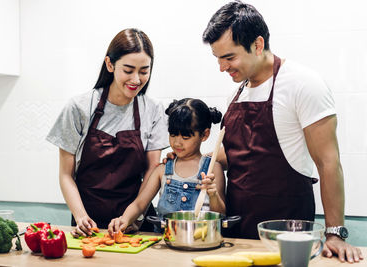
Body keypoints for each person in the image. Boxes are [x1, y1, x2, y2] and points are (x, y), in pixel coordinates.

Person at [200, 1, 363, 263]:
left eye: (229, 57)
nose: (222, 67)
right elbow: (243, 156)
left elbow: (328, 162)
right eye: (218, 59)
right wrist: (190, 158)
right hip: (239, 235)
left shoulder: (302, 84)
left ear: (258, 44)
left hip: (289, 234)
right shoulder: (237, 93)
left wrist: (335, 234)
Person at [46, 28, 169, 237]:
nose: (136, 79)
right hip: (88, 221)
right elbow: (66, 175)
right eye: (128, 70)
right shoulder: (79, 107)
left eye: (144, 71)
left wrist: (134, 216)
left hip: (136, 222)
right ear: (110, 64)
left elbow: (151, 171)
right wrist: (80, 216)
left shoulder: (154, 109)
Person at [108, 98, 226, 234]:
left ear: (204, 135)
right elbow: (139, 204)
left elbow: (221, 215)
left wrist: (213, 195)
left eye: (186, 137)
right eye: (173, 135)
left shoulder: (213, 169)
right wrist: (124, 220)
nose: (177, 143)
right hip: (165, 239)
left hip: (201, 239)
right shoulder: (163, 169)